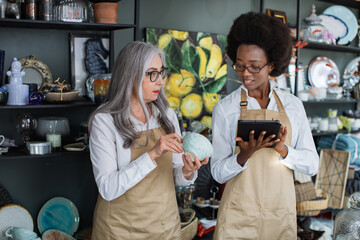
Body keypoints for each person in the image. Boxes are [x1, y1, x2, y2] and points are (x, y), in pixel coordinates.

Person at [211, 12, 319, 239]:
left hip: (279, 217)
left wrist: (283, 150)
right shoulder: (225, 109)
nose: (246, 74)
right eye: (239, 66)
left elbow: (312, 165)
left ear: (272, 65)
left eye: (254, 66)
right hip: (237, 218)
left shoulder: (293, 106)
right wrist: (243, 156)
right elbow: (217, 173)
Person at [88, 41, 208, 239]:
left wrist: (187, 171)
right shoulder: (105, 121)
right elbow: (108, 189)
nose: (160, 81)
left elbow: (175, 176)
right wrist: (152, 153)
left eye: (161, 72)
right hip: (120, 230)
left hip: (164, 226)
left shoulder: (167, 115)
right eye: (152, 73)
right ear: (130, 75)